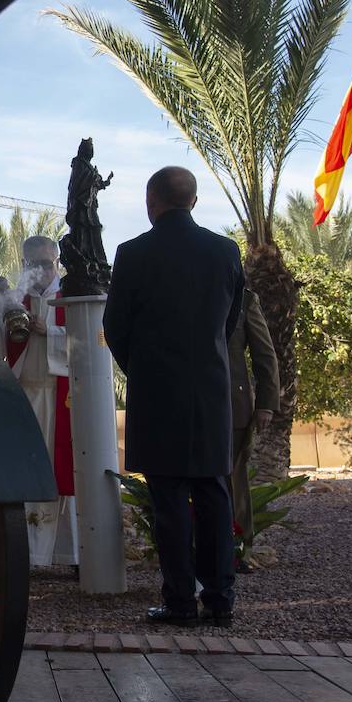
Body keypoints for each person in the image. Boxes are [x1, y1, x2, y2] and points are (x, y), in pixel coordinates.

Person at [103, 166, 243, 627]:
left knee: (168, 501)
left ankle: (180, 602)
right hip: (210, 391)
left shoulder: (133, 253)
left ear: (151, 202)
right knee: (213, 493)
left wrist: (141, 370)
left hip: (157, 390)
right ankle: (220, 600)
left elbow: (115, 327)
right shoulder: (225, 251)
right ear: (194, 201)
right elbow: (229, 322)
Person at [0, 235, 78, 570]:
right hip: (23, 397)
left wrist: (48, 332)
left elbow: (95, 345)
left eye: (46, 263)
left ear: (57, 263)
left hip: (59, 399)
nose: (39, 270)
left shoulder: (70, 300)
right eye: (32, 264)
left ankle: (65, 553)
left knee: (62, 472)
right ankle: (19, 551)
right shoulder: (15, 299)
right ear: (24, 264)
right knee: (20, 472)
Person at [227, 285, 278, 570]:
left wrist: (266, 403)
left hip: (234, 406)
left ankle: (237, 551)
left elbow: (264, 354)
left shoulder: (243, 299)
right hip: (192, 407)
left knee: (235, 481)